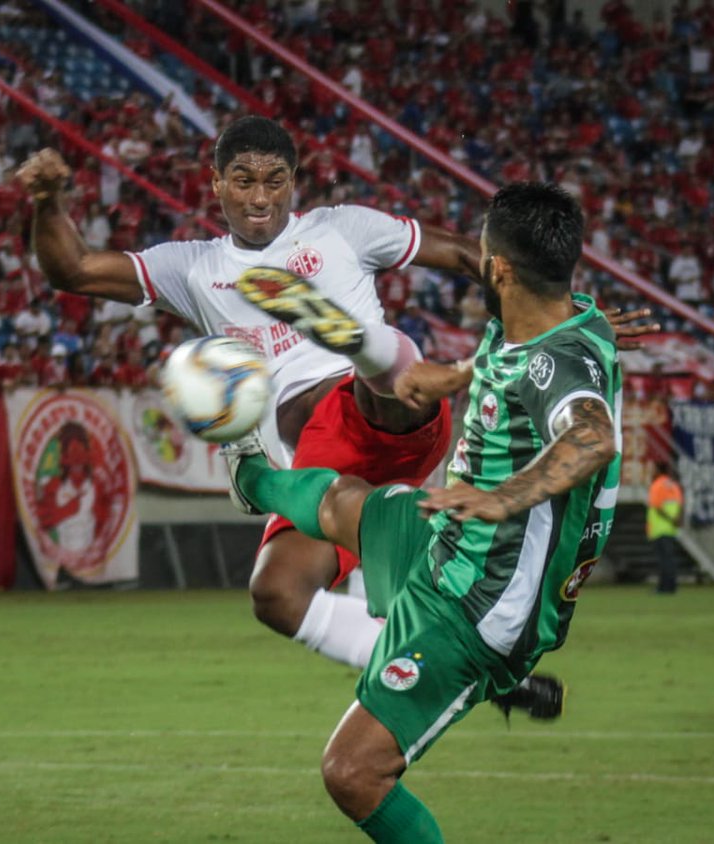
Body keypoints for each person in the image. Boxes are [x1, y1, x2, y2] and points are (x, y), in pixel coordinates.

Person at [18, 117, 652, 688]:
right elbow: (71, 270)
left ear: (296, 181)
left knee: (373, 387)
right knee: (277, 594)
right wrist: (48, 201)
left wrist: (559, 320)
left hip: (382, 413)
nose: (260, 197)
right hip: (323, 465)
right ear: (215, 184)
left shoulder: (343, 228)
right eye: (242, 181)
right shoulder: (192, 268)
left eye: (274, 180)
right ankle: (442, 669)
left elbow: (463, 251)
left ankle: (372, 351)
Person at [221, 183, 622, 841]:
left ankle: (486, 681)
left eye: (481, 254)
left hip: (480, 608)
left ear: (499, 269)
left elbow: (591, 436)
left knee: (352, 774)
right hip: (453, 542)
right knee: (338, 499)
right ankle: (252, 475)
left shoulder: (557, 357)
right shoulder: (571, 319)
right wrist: (457, 375)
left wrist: (501, 496)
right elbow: (519, 359)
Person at [647, 461, 684, 594]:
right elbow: (679, 505)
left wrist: (669, 518)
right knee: (669, 559)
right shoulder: (674, 485)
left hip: (659, 527)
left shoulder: (656, 486)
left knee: (664, 560)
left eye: (653, 469)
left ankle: (664, 587)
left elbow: (656, 507)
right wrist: (676, 520)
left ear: (658, 470)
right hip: (671, 528)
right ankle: (671, 585)